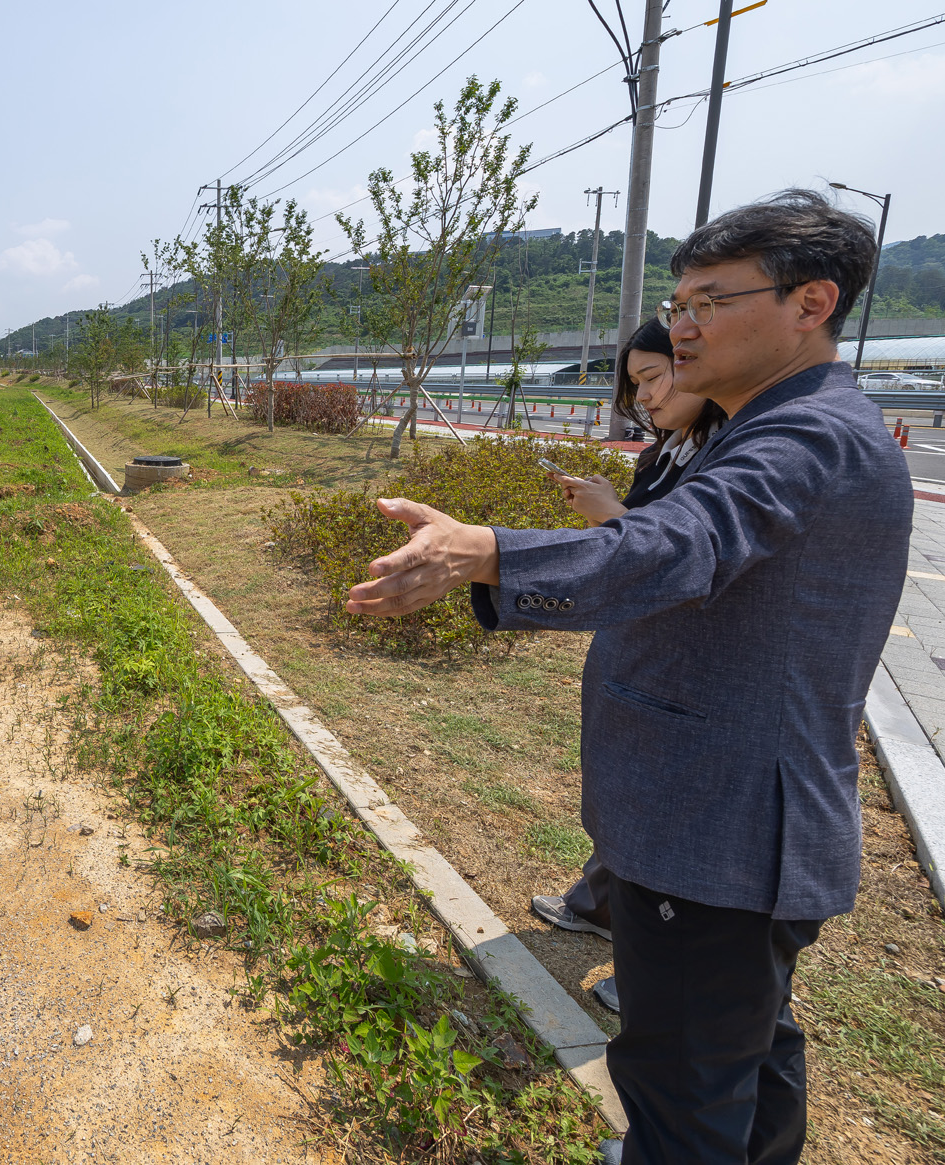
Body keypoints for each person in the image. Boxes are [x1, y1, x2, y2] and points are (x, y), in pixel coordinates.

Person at [344, 190, 909, 1164]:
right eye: (677, 303)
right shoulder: (768, 423)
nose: (680, 326)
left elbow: (675, 544)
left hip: (718, 831)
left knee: (680, 1088)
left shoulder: (806, 436)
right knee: (747, 1048)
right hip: (722, 821)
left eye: (709, 302)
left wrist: (487, 552)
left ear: (809, 303)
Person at [529, 319, 727, 1017]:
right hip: (638, 653)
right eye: (635, 383)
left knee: (662, 813)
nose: (643, 396)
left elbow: (672, 557)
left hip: (681, 667)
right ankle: (599, 907)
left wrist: (611, 513)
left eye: (653, 377)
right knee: (627, 789)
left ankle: (652, 973)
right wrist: (610, 507)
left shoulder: (728, 454)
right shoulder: (670, 448)